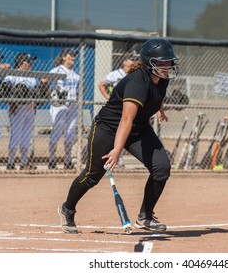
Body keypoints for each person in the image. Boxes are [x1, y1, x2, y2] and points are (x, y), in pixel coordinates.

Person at [58, 38, 179, 234]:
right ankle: (67, 209)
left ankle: (145, 216)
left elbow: (156, 94)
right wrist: (116, 149)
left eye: (169, 61)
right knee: (92, 176)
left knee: (161, 167)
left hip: (138, 129)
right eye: (162, 62)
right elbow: (125, 119)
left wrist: (160, 109)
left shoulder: (162, 78)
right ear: (149, 63)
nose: (167, 66)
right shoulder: (136, 83)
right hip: (109, 129)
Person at [3, 53, 49, 170]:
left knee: (26, 136)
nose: (30, 63)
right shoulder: (14, 74)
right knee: (16, 135)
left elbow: (39, 91)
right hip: (17, 109)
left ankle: (24, 163)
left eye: (30, 61)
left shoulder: (33, 76)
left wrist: (44, 83)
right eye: (27, 61)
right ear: (20, 62)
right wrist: (11, 101)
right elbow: (5, 88)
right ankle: (11, 162)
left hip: (30, 109)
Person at [97, 54, 140, 168]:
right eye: (132, 60)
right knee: (117, 131)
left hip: (130, 107)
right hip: (118, 108)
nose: (133, 62)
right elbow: (101, 85)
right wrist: (108, 97)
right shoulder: (115, 74)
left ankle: (119, 160)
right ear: (124, 62)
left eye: (135, 60)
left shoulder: (135, 74)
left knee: (125, 131)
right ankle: (115, 159)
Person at [48, 48, 80, 169]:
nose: (73, 57)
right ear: (63, 57)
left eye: (74, 55)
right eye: (70, 55)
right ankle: (51, 160)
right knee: (56, 133)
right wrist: (52, 96)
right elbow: (45, 82)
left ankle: (67, 160)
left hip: (73, 106)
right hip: (59, 106)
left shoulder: (76, 72)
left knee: (70, 133)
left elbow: (78, 90)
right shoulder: (56, 70)